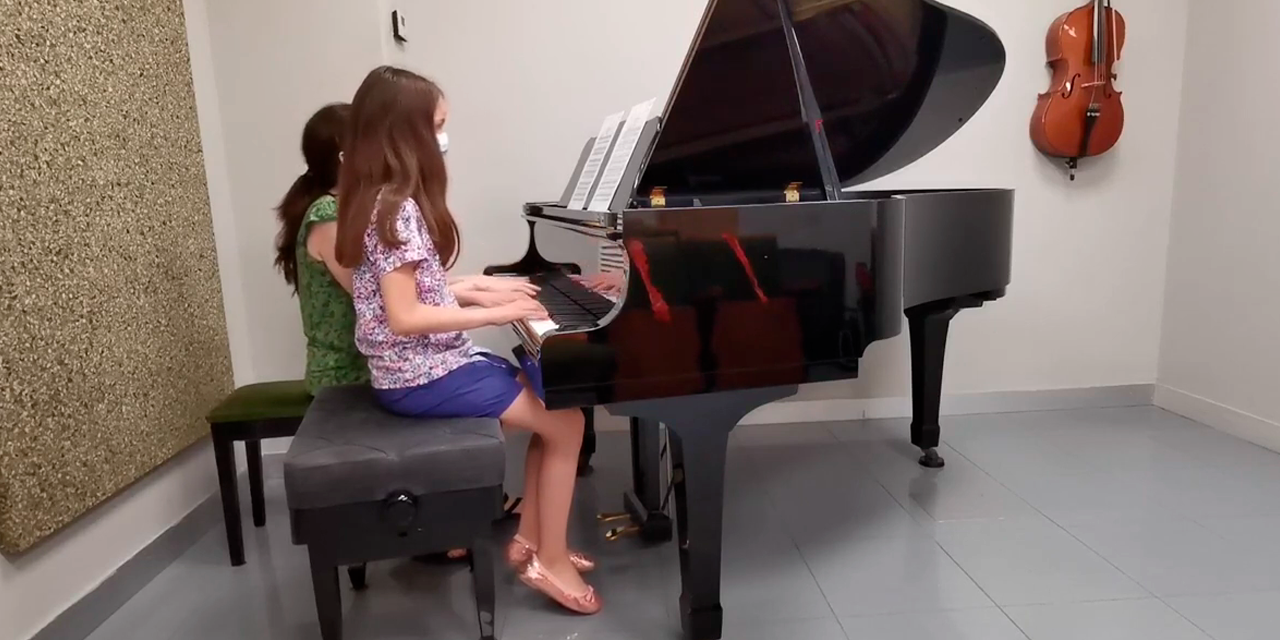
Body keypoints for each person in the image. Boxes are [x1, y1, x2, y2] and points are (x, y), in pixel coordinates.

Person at [334, 65, 600, 615]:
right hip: (421, 376)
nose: (444, 138)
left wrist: (481, 287)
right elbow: (405, 316)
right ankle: (550, 559)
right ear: (406, 133)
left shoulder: (376, 199)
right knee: (568, 422)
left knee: (552, 403)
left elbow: (410, 289)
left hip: (415, 370)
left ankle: (531, 539)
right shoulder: (397, 209)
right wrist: (497, 313)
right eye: (437, 126)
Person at [273, 103, 368, 393]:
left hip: (369, 371)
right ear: (345, 158)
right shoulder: (327, 215)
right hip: (344, 380)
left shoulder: (349, 208)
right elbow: (374, 293)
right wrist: (466, 295)